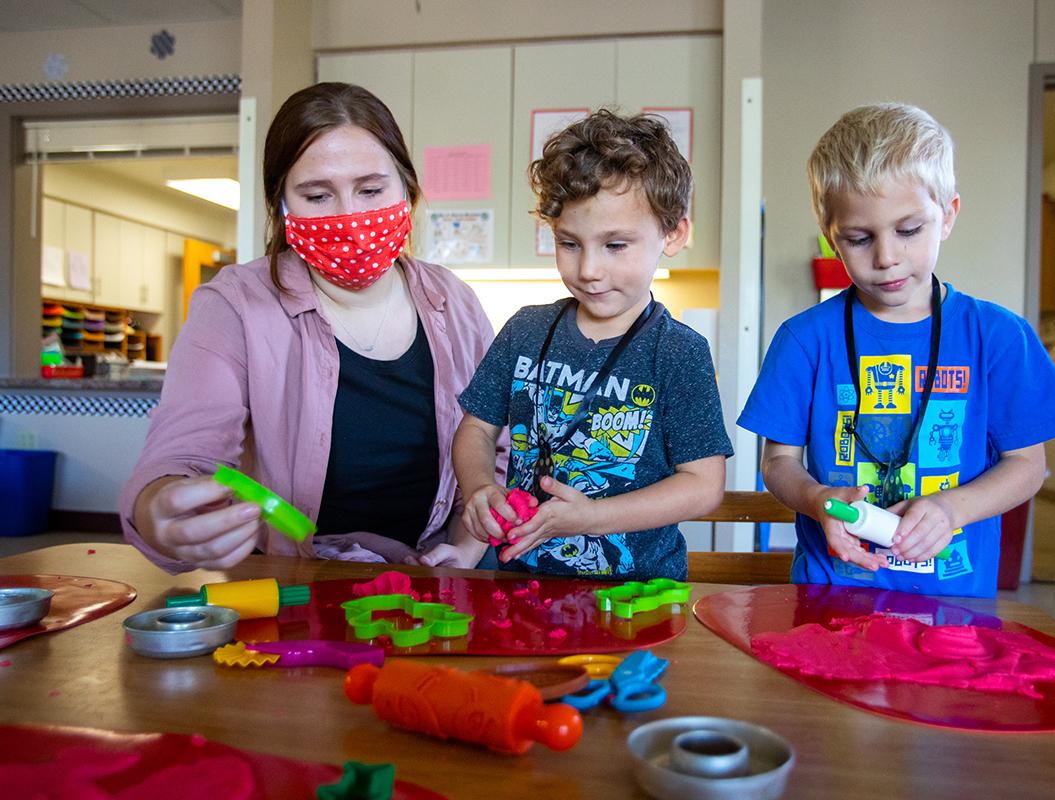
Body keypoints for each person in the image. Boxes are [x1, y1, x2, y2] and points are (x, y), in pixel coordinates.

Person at [120, 82, 503, 573]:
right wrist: (161, 511)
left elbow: (499, 446)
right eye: (317, 195)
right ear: (282, 204)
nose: (350, 216)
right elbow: (180, 453)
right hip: (292, 582)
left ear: (406, 188)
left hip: (435, 580)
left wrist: (467, 546)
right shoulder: (234, 305)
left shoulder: (456, 303)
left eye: (371, 190)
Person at [738, 103, 1055, 598]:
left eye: (908, 230)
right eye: (858, 238)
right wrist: (817, 498)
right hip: (831, 595)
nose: (886, 257)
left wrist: (951, 509)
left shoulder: (999, 336)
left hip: (953, 600)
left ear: (947, 216)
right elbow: (777, 463)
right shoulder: (804, 339)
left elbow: (1026, 466)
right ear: (832, 240)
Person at [444, 110, 732, 580]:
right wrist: (478, 489)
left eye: (615, 245)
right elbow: (475, 429)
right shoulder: (525, 330)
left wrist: (593, 518)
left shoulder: (679, 352)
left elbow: (702, 485)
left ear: (673, 234)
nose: (589, 270)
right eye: (569, 243)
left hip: (636, 598)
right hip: (519, 584)